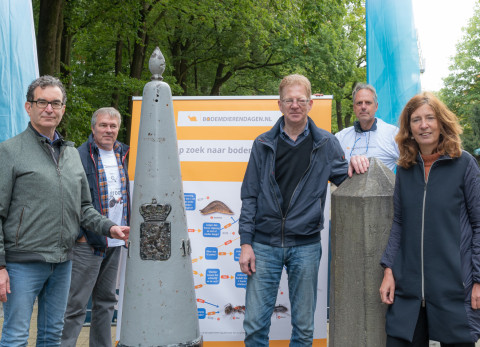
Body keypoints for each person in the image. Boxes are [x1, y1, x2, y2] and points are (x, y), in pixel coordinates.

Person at [239, 74, 369, 346]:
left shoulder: (326, 143)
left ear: (310, 104)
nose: (295, 105)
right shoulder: (263, 144)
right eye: (289, 100)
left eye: (300, 100)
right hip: (264, 244)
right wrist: (246, 244)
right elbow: (250, 195)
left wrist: (358, 162)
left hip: (306, 246)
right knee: (254, 326)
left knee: (304, 328)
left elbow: (346, 181)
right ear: (279, 104)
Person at [0, 76, 129, 346]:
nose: (49, 108)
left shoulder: (70, 154)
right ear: (28, 107)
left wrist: (109, 227)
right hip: (22, 264)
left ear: (63, 109)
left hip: (63, 263)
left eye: (55, 103)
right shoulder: (9, 152)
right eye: (42, 102)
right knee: (15, 337)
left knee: (52, 337)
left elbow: (83, 207)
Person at [379, 92, 480, 347]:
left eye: (430, 118)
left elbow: (479, 225)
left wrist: (478, 280)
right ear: (409, 128)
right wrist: (389, 269)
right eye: (416, 120)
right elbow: (399, 222)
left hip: (455, 288)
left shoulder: (464, 164)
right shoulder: (404, 169)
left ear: (441, 123)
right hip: (408, 290)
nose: (424, 125)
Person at [61, 107, 130, 347]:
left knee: (106, 302)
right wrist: (80, 235)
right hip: (88, 243)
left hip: (115, 241)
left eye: (113, 126)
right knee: (75, 305)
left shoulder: (123, 153)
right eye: (103, 125)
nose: (108, 130)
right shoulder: (79, 155)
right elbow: (70, 199)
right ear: (93, 128)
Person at [335, 83, 399, 171]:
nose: (363, 107)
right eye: (359, 103)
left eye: (368, 103)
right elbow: (330, 167)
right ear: (354, 108)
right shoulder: (341, 137)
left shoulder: (393, 134)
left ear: (376, 106)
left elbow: (410, 164)